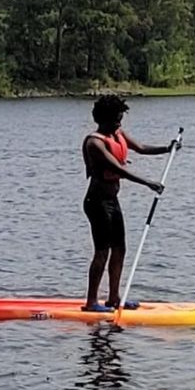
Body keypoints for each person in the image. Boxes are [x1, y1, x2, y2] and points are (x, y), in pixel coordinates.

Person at [81, 95, 172, 313]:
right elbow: (118, 169)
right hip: (97, 202)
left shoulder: (118, 133)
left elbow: (141, 147)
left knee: (120, 249)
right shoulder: (94, 143)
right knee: (102, 251)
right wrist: (148, 183)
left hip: (112, 201)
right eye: (115, 120)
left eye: (120, 119)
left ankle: (114, 298)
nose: (119, 123)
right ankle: (91, 302)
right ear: (103, 119)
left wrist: (167, 148)